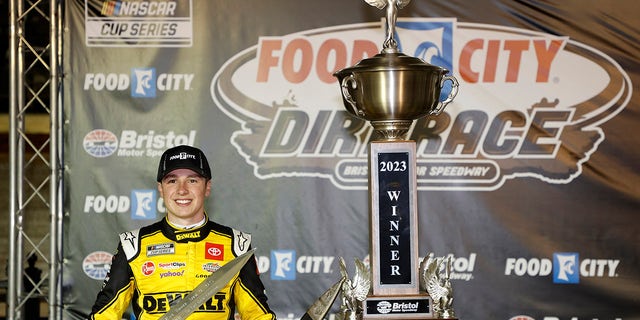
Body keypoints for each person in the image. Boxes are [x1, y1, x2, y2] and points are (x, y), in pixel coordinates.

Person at [89, 145, 276, 320]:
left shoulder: (236, 244)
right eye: (172, 181)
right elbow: (104, 315)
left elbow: (257, 314)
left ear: (207, 187)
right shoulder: (133, 245)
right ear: (161, 189)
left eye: (192, 180)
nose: (182, 190)